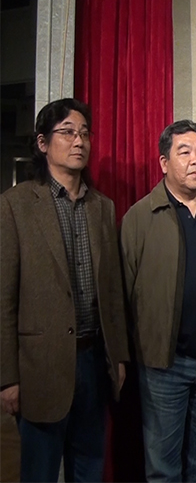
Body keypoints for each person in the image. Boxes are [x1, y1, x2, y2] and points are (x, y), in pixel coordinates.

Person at [0, 98, 129, 482]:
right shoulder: (15, 205)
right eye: (68, 132)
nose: (79, 141)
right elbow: (3, 300)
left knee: (89, 467)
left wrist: (118, 357)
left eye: (85, 133)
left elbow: (113, 291)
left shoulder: (102, 206)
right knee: (39, 471)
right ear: (43, 143)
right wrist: (7, 377)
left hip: (94, 360)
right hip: (40, 366)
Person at [121, 120, 196, 481]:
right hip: (164, 365)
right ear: (164, 162)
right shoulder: (140, 217)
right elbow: (123, 293)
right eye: (184, 152)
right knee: (163, 469)